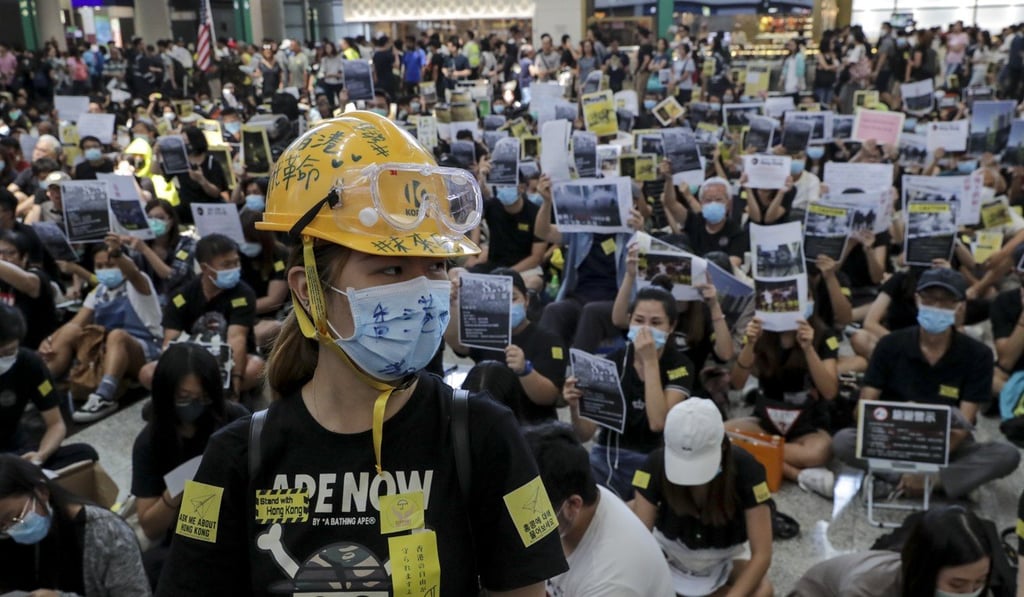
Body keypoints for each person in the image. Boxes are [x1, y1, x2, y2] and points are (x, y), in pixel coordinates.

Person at [157, 112, 567, 595]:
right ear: (309, 290)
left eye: (435, 266)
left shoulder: (486, 436)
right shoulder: (236, 457)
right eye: (391, 270)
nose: (422, 291)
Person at [832, 268, 1020, 499]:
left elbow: (964, 424)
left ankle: (919, 480)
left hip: (946, 443)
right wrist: (896, 417)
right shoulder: (890, 345)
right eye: (929, 299)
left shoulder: (977, 355)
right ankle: (926, 482)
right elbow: (862, 410)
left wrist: (927, 462)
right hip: (892, 437)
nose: (936, 307)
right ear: (917, 300)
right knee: (843, 441)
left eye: (945, 301)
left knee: (1006, 455)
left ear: (960, 306)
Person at [131, 343, 249, 587]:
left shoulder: (234, 418)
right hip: (188, 534)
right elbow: (150, 527)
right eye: (184, 397)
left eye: (202, 397)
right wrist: (178, 489)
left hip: (236, 521)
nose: (194, 405)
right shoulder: (150, 442)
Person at [633, 398, 774, 597]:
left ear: (722, 447)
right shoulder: (654, 465)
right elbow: (639, 542)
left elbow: (762, 555)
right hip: (669, 554)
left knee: (764, 590)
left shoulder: (747, 469)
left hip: (726, 558)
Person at [564, 286, 694, 499]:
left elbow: (658, 423)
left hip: (654, 461)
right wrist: (575, 405)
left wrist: (650, 362)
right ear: (629, 320)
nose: (645, 329)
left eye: (655, 323)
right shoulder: (611, 362)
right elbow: (584, 434)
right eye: (639, 320)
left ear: (672, 326)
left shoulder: (680, 365)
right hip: (606, 458)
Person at [524, 422, 674, 596]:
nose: (525, 520)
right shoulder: (575, 491)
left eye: (533, 512)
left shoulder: (612, 580)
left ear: (573, 505)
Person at [39, 234, 163, 423]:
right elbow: (76, 323)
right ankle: (39, 384)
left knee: (117, 336)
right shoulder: (99, 292)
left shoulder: (138, 283)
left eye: (110, 264)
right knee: (69, 332)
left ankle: (105, 396)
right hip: (106, 352)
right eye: (100, 267)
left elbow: (133, 272)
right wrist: (49, 340)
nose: (105, 270)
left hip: (143, 352)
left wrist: (117, 253)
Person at [0, 454, 151, 596]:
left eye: (15, 517)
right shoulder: (8, 537)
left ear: (41, 492)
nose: (12, 530)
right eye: (2, 526)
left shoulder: (107, 533)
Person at [137, 233, 263, 398]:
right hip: (190, 362)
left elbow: (237, 339)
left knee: (256, 368)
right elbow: (170, 342)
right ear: (205, 268)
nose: (234, 268)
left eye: (236, 262)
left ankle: (201, 395)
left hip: (231, 362)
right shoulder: (182, 296)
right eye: (226, 265)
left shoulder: (244, 294)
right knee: (147, 373)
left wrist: (236, 384)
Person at [446, 267, 565, 423]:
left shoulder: (548, 340)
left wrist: (525, 371)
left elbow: (549, 397)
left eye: (513, 299)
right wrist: (452, 303)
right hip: (489, 420)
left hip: (532, 424)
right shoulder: (485, 331)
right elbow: (458, 343)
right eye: (499, 300)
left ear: (527, 300)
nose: (507, 306)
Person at [790, 506, 993, 596]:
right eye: (957, 585)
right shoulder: (868, 588)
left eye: (980, 582)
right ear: (925, 572)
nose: (970, 593)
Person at [0, 304, 98, 471]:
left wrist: (40, 457)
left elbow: (56, 424)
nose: (4, 358)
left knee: (85, 453)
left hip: (14, 451)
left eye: (9, 352)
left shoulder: (29, 364)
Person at [126, 198, 196, 302]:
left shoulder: (186, 243)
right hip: (149, 302)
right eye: (150, 218)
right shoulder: (138, 245)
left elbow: (173, 276)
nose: (154, 222)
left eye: (160, 218)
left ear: (171, 220)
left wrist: (145, 250)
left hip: (180, 301)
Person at [0, 228, 58, 350]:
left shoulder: (37, 277)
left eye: (10, 253)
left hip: (33, 349)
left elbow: (27, 283)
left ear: (24, 257)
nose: (3, 258)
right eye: (0, 253)